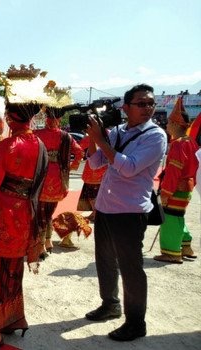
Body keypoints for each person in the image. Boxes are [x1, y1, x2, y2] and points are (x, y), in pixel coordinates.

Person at [85, 84, 167, 341]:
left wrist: (101, 141)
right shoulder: (118, 131)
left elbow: (129, 167)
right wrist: (92, 140)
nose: (147, 108)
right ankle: (110, 304)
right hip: (106, 207)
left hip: (130, 211)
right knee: (105, 260)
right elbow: (96, 162)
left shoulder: (155, 136)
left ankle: (136, 322)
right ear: (126, 107)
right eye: (141, 103)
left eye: (150, 103)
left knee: (131, 268)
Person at [0, 102, 48, 348]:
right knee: (13, 271)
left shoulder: (7, 145)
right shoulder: (40, 146)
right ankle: (13, 318)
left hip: (2, 216)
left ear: (10, 118)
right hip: (24, 218)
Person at [154, 97, 198, 263]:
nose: (166, 126)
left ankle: (171, 252)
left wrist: (165, 192)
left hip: (175, 188)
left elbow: (173, 171)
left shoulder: (178, 144)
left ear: (175, 124)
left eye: (169, 122)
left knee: (170, 218)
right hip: (187, 187)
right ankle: (185, 245)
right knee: (178, 217)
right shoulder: (191, 142)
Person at [34, 106, 83, 253]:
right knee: (49, 212)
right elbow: (79, 151)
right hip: (57, 177)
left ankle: (42, 242)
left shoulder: (37, 134)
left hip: (41, 175)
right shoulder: (65, 136)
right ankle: (48, 241)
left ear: (46, 118)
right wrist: (71, 166)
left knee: (40, 212)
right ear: (60, 119)